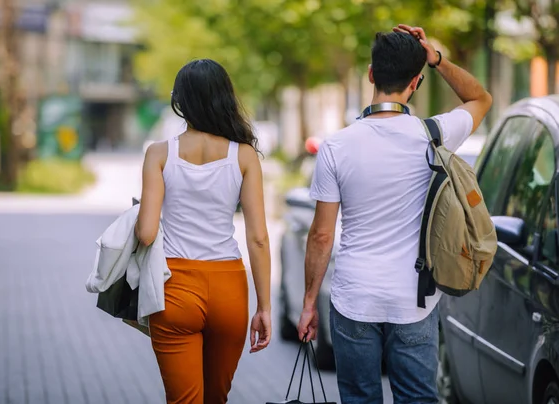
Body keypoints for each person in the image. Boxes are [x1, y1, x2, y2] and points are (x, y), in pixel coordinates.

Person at [297, 25, 492, 403]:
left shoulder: (336, 146)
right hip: (414, 299)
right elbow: (480, 98)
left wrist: (308, 303)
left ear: (371, 74)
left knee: (359, 398)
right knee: (418, 397)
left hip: (355, 299)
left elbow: (321, 236)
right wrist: (436, 58)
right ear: (416, 82)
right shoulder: (434, 134)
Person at [135, 59, 272, 404]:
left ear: (180, 101)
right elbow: (258, 238)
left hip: (174, 288)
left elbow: (146, 234)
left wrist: (138, 213)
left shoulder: (159, 154)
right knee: (216, 399)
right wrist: (264, 307)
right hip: (229, 290)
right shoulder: (243, 155)